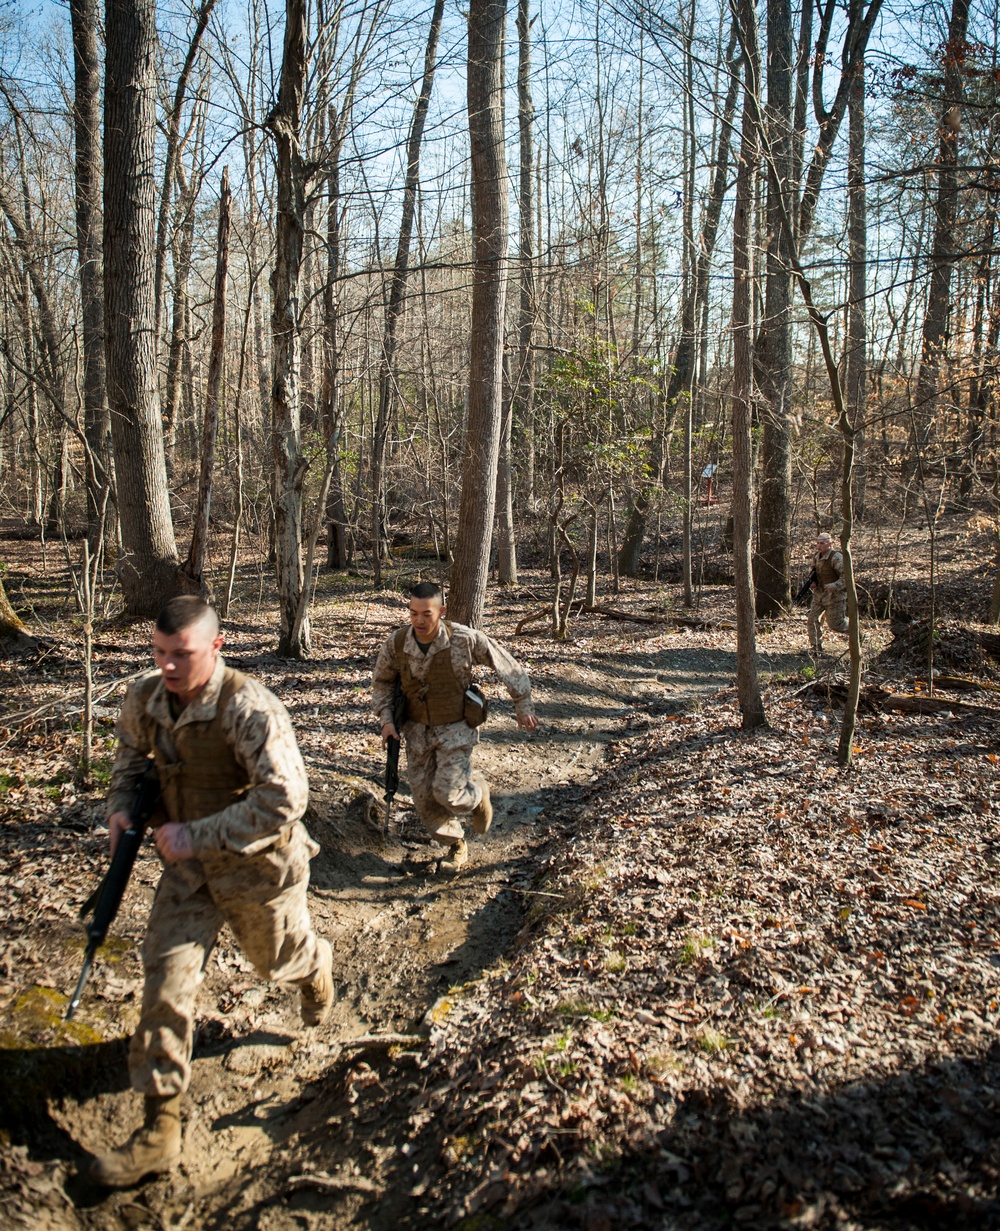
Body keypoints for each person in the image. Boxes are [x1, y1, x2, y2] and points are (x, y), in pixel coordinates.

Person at [89, 596, 332, 1188]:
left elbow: (285, 800)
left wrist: (194, 833)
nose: (169, 666)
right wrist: (121, 810)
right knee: (165, 979)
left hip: (259, 869)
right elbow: (126, 762)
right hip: (188, 873)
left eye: (183, 654)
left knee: (276, 961)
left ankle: (316, 965)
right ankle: (160, 1128)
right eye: (160, 652)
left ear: (216, 648)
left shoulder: (249, 707)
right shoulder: (144, 698)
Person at [372, 581, 538, 872]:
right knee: (424, 801)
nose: (419, 621)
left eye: (427, 614)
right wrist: (386, 720)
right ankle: (456, 846)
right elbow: (382, 683)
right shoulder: (397, 644)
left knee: (449, 794)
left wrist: (522, 704)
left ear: (442, 611)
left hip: (456, 729)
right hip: (417, 733)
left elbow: (504, 662)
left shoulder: (463, 638)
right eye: (413, 614)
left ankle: (478, 794)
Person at [807, 531, 848, 654]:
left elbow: (847, 577)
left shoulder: (837, 558)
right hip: (819, 595)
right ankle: (816, 647)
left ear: (830, 543)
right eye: (818, 543)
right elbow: (812, 571)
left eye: (822, 543)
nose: (819, 546)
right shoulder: (816, 557)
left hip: (834, 596)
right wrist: (812, 582)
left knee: (836, 624)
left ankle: (857, 632)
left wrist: (834, 586)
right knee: (812, 619)